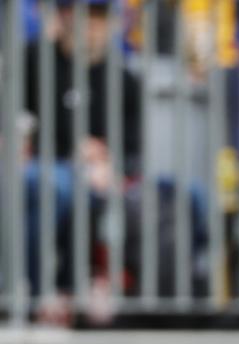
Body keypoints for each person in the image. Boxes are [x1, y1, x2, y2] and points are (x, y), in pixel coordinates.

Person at [24, 0, 141, 325]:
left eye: (100, 15)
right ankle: (41, 293)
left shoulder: (123, 78)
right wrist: (75, 152)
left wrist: (111, 162)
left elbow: (133, 150)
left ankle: (105, 291)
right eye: (83, 13)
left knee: (182, 198)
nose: (92, 24)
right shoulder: (32, 61)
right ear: (62, 17)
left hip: (100, 177)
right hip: (42, 168)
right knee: (53, 184)